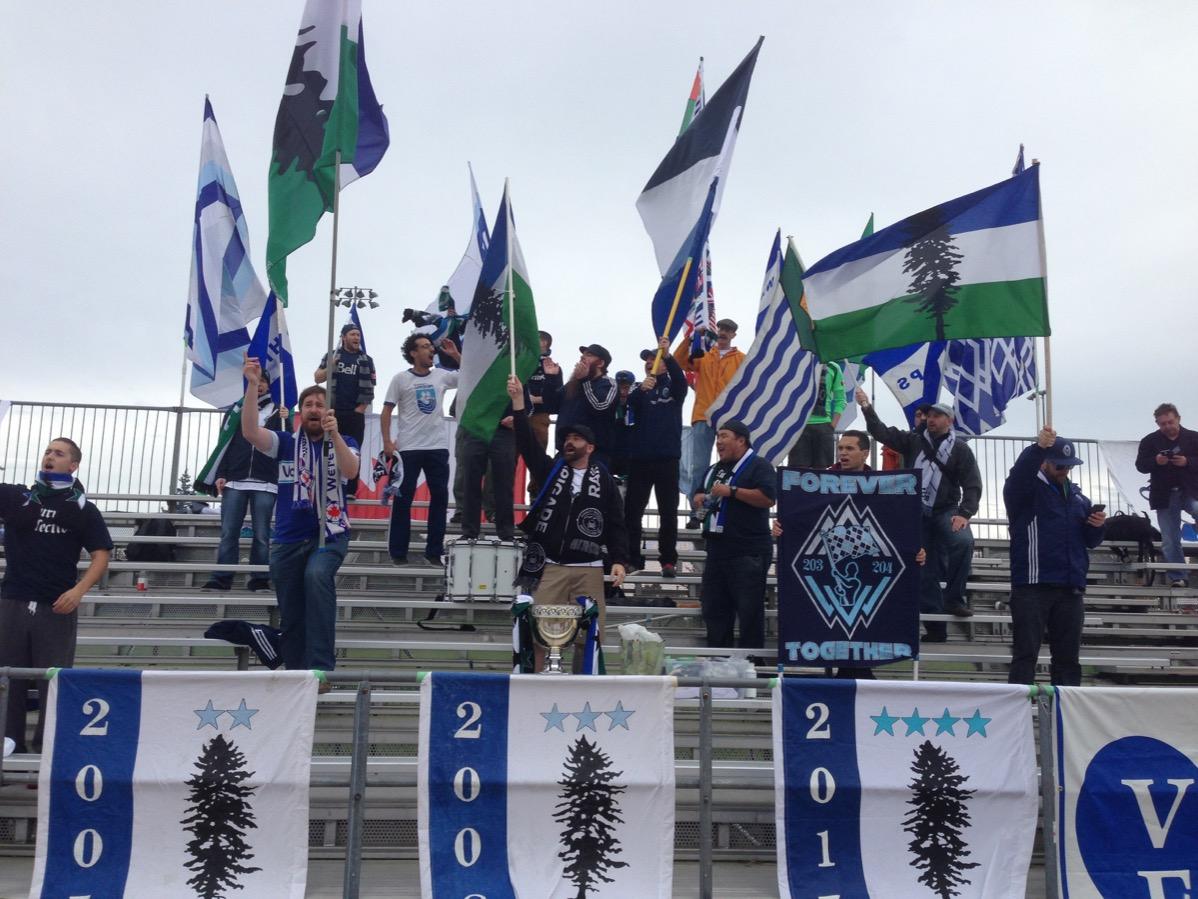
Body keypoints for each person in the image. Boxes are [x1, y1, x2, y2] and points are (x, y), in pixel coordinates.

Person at [241, 356, 360, 671]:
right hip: (287, 539)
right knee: (291, 611)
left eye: (321, 405)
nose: (315, 409)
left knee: (317, 576)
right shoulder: (284, 443)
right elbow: (251, 432)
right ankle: (295, 671)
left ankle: (321, 668)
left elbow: (351, 471)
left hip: (328, 534)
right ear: (300, 411)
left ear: (328, 413)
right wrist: (253, 387)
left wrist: (335, 436)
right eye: (308, 404)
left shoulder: (345, 441)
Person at [773, 430, 926, 677]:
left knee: (859, 624)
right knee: (829, 623)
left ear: (865, 453)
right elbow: (799, 518)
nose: (843, 452)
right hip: (826, 568)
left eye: (850, 448)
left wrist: (914, 551)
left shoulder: (884, 488)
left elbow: (898, 526)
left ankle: (857, 676)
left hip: (865, 569)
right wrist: (782, 527)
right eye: (841, 448)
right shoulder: (815, 484)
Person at [508, 374, 628, 671]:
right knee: (540, 630)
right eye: (566, 439)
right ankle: (535, 685)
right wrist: (519, 405)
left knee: (589, 636)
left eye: (576, 439)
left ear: (590, 447)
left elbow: (616, 523)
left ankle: (583, 688)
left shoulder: (605, 481)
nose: (569, 443)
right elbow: (527, 444)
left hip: (589, 567)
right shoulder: (550, 470)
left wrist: (620, 560)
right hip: (550, 565)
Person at [0, 438, 112, 752]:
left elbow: (101, 556)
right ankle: (9, 753)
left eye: (58, 453)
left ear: (73, 466)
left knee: (54, 683)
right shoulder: (16, 497)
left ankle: (46, 756)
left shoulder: (83, 509)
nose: (50, 456)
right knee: (7, 683)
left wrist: (78, 591)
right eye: (47, 451)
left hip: (56, 606)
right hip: (13, 600)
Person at [856, 392, 981, 641]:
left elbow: (973, 485)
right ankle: (936, 629)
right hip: (915, 511)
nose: (931, 419)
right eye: (929, 415)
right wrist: (867, 407)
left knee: (964, 542)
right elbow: (881, 432)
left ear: (950, 421)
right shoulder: (913, 440)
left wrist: (964, 513)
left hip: (946, 510)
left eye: (937, 415)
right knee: (923, 569)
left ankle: (954, 599)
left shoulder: (960, 449)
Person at [1005, 427, 1107, 686]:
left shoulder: (1078, 497)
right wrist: (1037, 447)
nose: (1065, 471)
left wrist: (1096, 526)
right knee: (1025, 655)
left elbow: (1090, 541)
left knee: (1068, 659)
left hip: (1070, 588)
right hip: (1033, 585)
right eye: (1059, 466)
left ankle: (1066, 714)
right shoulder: (1025, 492)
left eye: (1069, 467)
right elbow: (1018, 475)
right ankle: (1018, 714)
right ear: (1045, 463)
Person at [693, 419, 776, 649]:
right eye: (718, 437)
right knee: (714, 609)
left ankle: (751, 667)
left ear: (741, 440)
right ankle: (719, 665)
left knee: (749, 612)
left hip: (748, 551)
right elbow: (703, 493)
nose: (718, 441)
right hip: (717, 549)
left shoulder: (759, 465)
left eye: (724, 436)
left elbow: (768, 498)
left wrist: (733, 491)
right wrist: (699, 498)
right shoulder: (714, 469)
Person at [381, 333, 460, 566]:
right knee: (403, 499)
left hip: (437, 447)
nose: (430, 350)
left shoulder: (441, 376)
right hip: (408, 447)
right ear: (413, 353)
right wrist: (387, 442)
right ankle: (398, 552)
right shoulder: (400, 379)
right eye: (424, 347)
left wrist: (455, 355)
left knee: (440, 499)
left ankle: (434, 552)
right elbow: (386, 411)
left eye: (430, 346)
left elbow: (469, 376)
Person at [202, 372, 281, 592]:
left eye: (264, 382)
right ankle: (222, 578)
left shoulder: (279, 411)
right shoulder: (236, 410)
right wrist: (222, 472)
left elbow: (284, 443)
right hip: (235, 479)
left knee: (262, 534)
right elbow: (225, 444)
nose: (261, 386)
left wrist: (286, 420)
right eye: (257, 382)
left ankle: (259, 578)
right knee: (229, 532)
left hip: (266, 480)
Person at [625, 336, 688, 577]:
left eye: (654, 358)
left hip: (667, 458)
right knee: (633, 512)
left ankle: (668, 560)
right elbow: (627, 407)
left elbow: (681, 382)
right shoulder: (640, 388)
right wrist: (641, 391)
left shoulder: (673, 387)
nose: (650, 362)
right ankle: (632, 557)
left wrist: (669, 356)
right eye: (647, 359)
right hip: (640, 458)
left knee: (668, 512)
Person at [675, 318, 745, 529]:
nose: (724, 332)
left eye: (729, 330)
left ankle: (726, 508)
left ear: (734, 334)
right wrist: (690, 337)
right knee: (699, 467)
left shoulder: (742, 359)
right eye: (721, 328)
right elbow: (679, 361)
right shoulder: (704, 356)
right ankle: (697, 512)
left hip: (728, 419)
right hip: (703, 416)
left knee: (731, 464)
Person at [1135, 402, 1198, 587]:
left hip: (1190, 490)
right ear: (1157, 424)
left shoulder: (1193, 438)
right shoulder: (1150, 441)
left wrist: (1188, 461)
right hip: (1164, 494)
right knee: (1170, 539)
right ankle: (1178, 576)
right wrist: (1156, 461)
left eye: (1170, 422)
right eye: (1163, 424)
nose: (1167, 427)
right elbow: (1140, 466)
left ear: (1178, 419)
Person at [314, 322, 376, 451]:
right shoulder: (332, 355)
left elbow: (371, 387)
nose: (356, 338)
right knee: (329, 452)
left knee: (353, 451)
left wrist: (360, 410)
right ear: (343, 337)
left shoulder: (367, 360)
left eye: (358, 335)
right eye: (352, 334)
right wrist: (329, 368)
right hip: (333, 412)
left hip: (355, 415)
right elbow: (317, 378)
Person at [556, 344, 618, 466]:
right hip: (565, 451)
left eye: (589, 355)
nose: (582, 358)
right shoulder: (572, 385)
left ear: (600, 363)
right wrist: (552, 377)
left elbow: (600, 406)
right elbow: (551, 405)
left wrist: (585, 381)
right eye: (582, 356)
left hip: (594, 454)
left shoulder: (608, 383)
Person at [787, 362, 845, 469]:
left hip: (824, 426)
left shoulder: (833, 367)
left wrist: (831, 426)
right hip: (799, 425)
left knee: (822, 473)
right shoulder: (798, 362)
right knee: (797, 471)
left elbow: (841, 400)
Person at [526, 330, 563, 496]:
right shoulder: (521, 361)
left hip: (540, 415)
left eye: (538, 340)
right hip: (518, 413)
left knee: (538, 454)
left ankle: (536, 493)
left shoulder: (553, 367)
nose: (534, 342)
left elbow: (557, 396)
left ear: (546, 344)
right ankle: (504, 498)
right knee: (508, 456)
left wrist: (537, 399)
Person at [610, 369, 638, 478]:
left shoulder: (637, 405)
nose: (622, 392)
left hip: (630, 456)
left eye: (626, 388)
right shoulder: (609, 404)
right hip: (611, 454)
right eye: (619, 388)